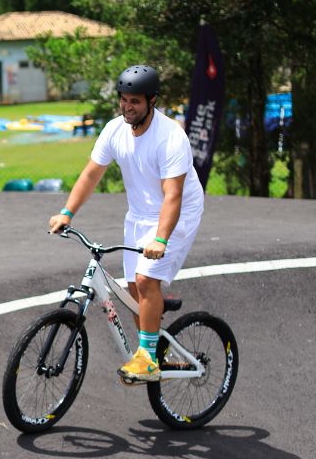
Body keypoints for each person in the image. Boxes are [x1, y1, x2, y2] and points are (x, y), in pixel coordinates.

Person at [48, 64, 204, 384]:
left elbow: (173, 196)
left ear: (152, 101)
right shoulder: (114, 130)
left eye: (135, 101)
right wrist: (67, 212)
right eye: (123, 99)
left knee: (145, 280)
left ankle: (147, 357)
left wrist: (161, 239)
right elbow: (91, 175)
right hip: (138, 215)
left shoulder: (170, 137)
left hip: (178, 213)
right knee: (134, 288)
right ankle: (153, 347)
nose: (127, 107)